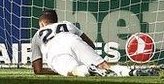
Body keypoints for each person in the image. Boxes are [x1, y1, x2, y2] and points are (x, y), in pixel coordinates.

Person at [31, 10, 160, 77]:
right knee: (104, 65)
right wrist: (87, 56)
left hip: (55, 53)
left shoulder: (37, 35)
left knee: (74, 71)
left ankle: (88, 70)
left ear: (41, 24)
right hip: (73, 40)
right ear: (55, 20)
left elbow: (38, 70)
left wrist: (58, 70)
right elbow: (90, 44)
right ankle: (130, 72)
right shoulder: (67, 24)